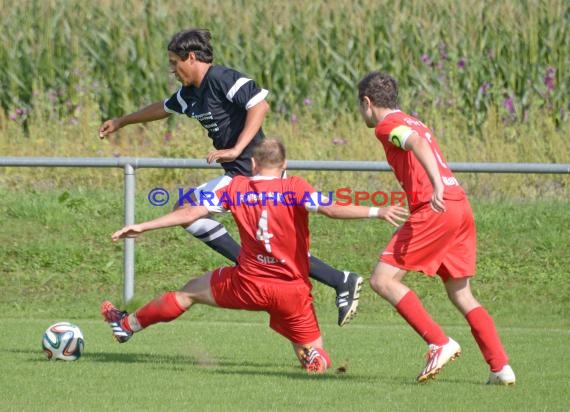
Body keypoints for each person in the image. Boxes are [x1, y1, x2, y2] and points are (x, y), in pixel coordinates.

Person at [99, 28, 363, 327]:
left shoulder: (221, 78)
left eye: (174, 62)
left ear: (192, 57)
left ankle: (331, 280)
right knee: (255, 242)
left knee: (196, 215)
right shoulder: (190, 94)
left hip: (255, 175)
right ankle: (339, 280)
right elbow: (163, 107)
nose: (171, 69)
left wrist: (236, 148)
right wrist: (121, 121)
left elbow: (259, 106)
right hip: (238, 174)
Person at [102, 138, 408, 373]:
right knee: (316, 352)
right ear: (285, 163)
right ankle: (317, 360)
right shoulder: (294, 187)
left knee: (188, 293)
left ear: (252, 164)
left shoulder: (236, 187)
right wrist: (377, 210)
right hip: (292, 290)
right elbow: (329, 208)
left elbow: (192, 212)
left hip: (247, 284)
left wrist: (143, 225)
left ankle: (127, 326)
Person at [357, 71, 516, 385]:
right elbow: (419, 139)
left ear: (367, 102)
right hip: (459, 205)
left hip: (435, 207)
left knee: (382, 280)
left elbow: (415, 143)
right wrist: (442, 186)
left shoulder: (387, 125)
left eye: (359, 107)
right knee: (461, 293)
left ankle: (438, 342)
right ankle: (501, 368)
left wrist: (435, 187)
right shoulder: (414, 119)